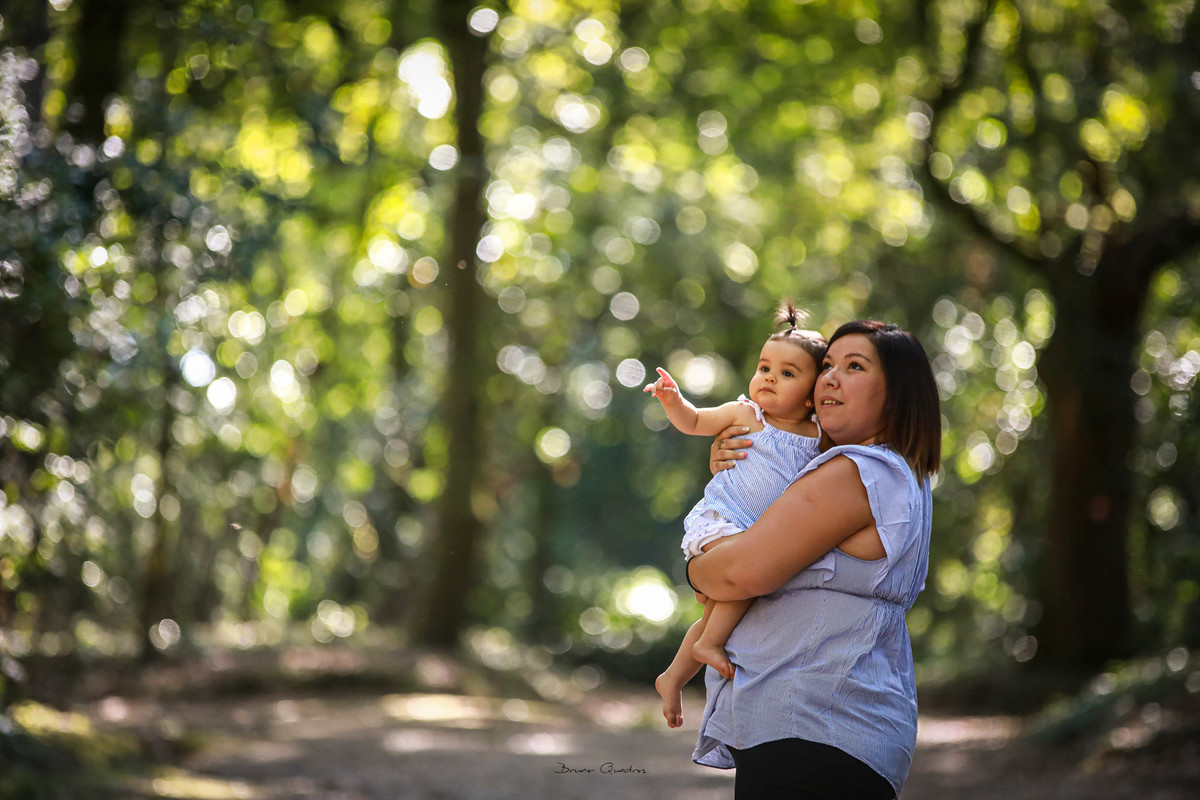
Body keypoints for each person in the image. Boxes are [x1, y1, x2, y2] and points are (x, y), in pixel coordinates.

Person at [686, 319, 941, 800]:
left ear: (898, 393)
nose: (830, 377)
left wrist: (697, 568)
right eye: (827, 365)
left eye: (855, 366)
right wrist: (741, 468)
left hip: (811, 725)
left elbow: (739, 572)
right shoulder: (901, 472)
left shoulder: (853, 474)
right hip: (839, 725)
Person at [644, 301, 827, 729]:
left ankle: (672, 678)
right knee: (746, 577)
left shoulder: (820, 436)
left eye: (787, 374)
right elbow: (693, 421)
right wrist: (674, 400)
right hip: (721, 520)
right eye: (765, 367)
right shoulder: (747, 414)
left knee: (719, 611)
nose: (768, 378)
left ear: (814, 390)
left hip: (753, 536)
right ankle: (708, 646)